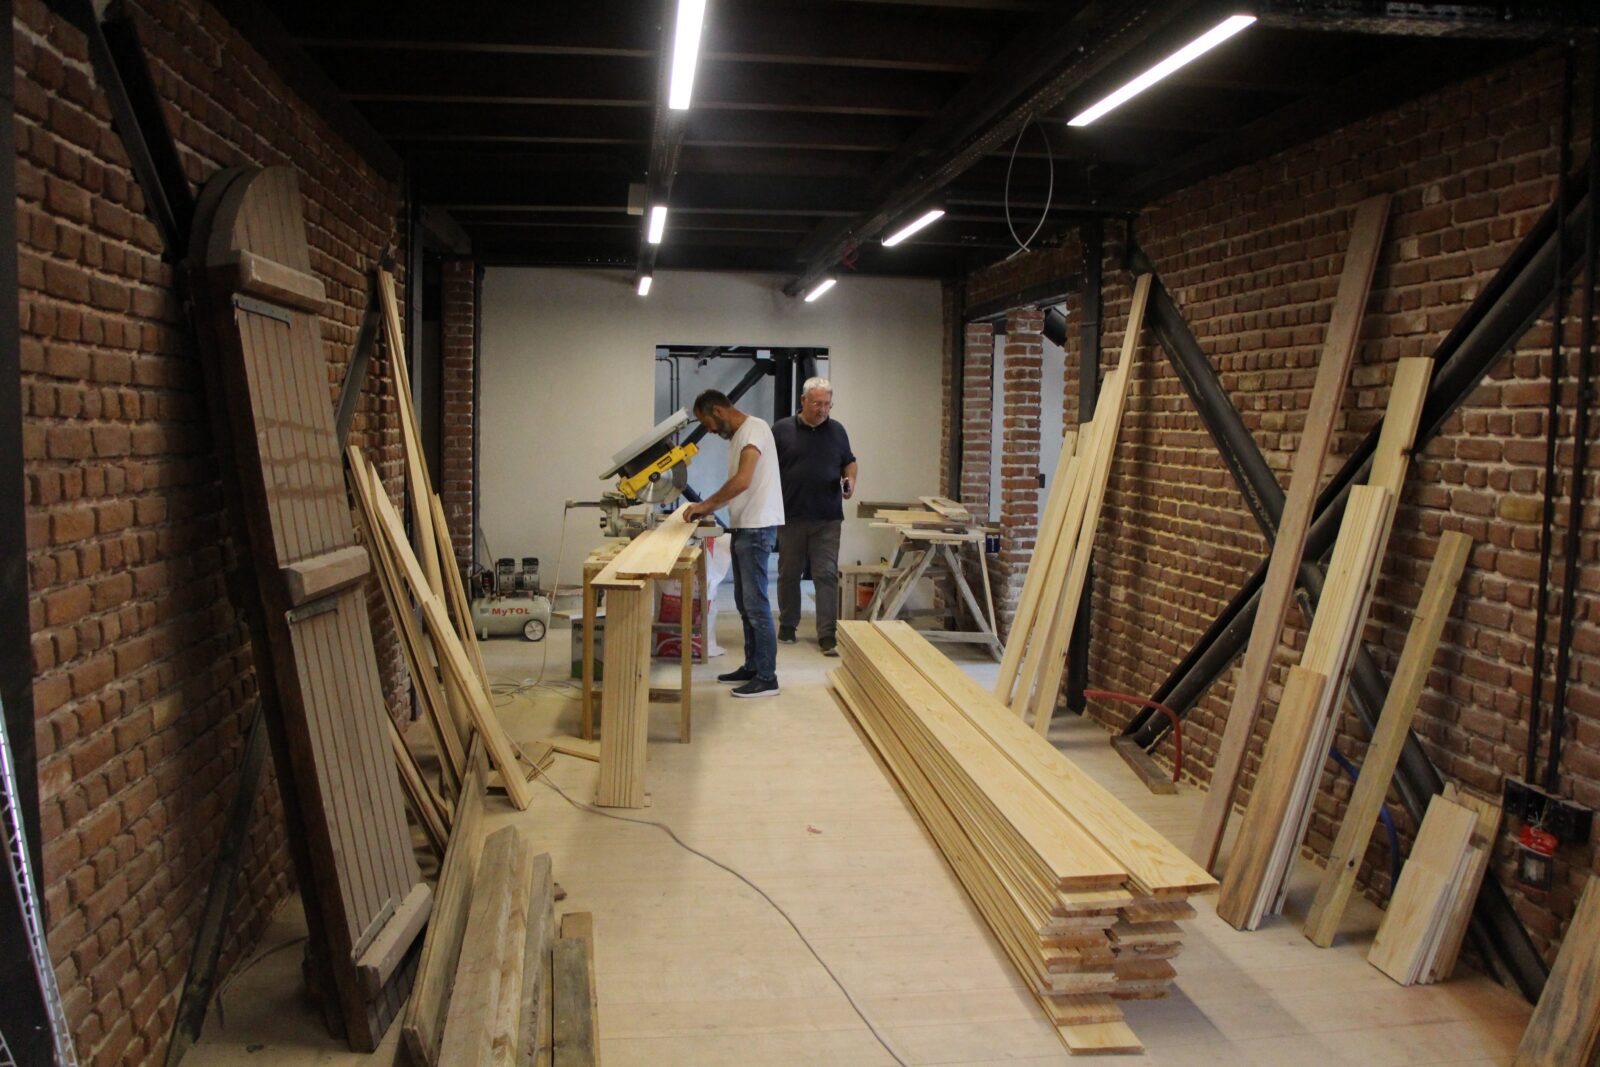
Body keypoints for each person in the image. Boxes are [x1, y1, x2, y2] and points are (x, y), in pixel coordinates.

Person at [682, 389, 785, 697]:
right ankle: (753, 667)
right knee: (745, 604)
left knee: (756, 606)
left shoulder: (755, 429)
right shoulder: (740, 436)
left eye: (707, 423)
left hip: (757, 527)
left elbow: (743, 481)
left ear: (718, 411)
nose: (710, 431)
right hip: (745, 526)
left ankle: (767, 678)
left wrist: (706, 505)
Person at [772, 377, 857, 657]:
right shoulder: (782, 430)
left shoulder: (837, 430)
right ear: (803, 401)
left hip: (828, 517)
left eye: (827, 404)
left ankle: (827, 635)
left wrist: (850, 480)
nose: (823, 409)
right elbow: (766, 468)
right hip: (791, 515)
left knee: (826, 575)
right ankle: (788, 624)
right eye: (817, 403)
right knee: (788, 574)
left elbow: (849, 461)